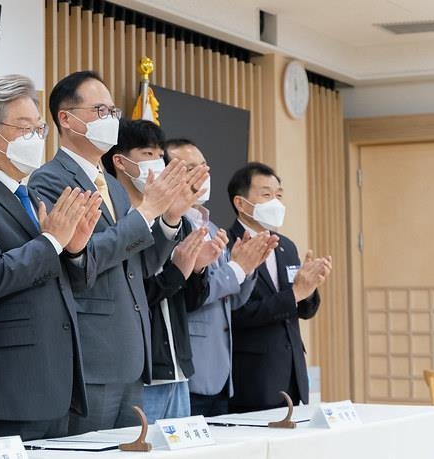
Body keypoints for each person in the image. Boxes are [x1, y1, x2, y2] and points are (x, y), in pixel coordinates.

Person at [29, 71, 208, 433]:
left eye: (113, 111)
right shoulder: (48, 179)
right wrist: (146, 213)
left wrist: (169, 219)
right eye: (100, 110)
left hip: (132, 353)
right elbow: (82, 260)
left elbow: (140, 265)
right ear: (66, 118)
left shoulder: (114, 185)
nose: (111, 120)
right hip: (92, 353)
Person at [0, 74, 102, 441]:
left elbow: (57, 280)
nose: (35, 139)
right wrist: (50, 242)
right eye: (24, 128)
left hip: (52, 386)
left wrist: (72, 248)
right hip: (5, 391)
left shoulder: (28, 196)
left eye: (39, 129)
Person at [101, 123, 224, 423]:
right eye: (148, 154)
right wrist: (177, 273)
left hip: (178, 367)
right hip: (143, 370)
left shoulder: (177, 220)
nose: (157, 162)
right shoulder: (118, 223)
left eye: (160, 154)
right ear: (120, 161)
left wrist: (197, 269)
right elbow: (134, 295)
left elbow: (189, 302)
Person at [162, 139, 277, 417]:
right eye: (191, 168)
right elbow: (192, 293)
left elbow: (232, 303)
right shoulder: (169, 225)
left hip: (223, 371)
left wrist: (246, 269)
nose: (202, 174)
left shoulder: (211, 227)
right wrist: (236, 269)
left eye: (204, 166)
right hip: (192, 369)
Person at [226, 162, 332, 412]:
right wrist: (294, 294)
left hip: (292, 371)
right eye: (266, 195)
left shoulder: (286, 246)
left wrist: (309, 287)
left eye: (279, 195)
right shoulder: (227, 244)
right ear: (240, 203)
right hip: (252, 375)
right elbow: (236, 312)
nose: (275, 202)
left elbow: (303, 310)